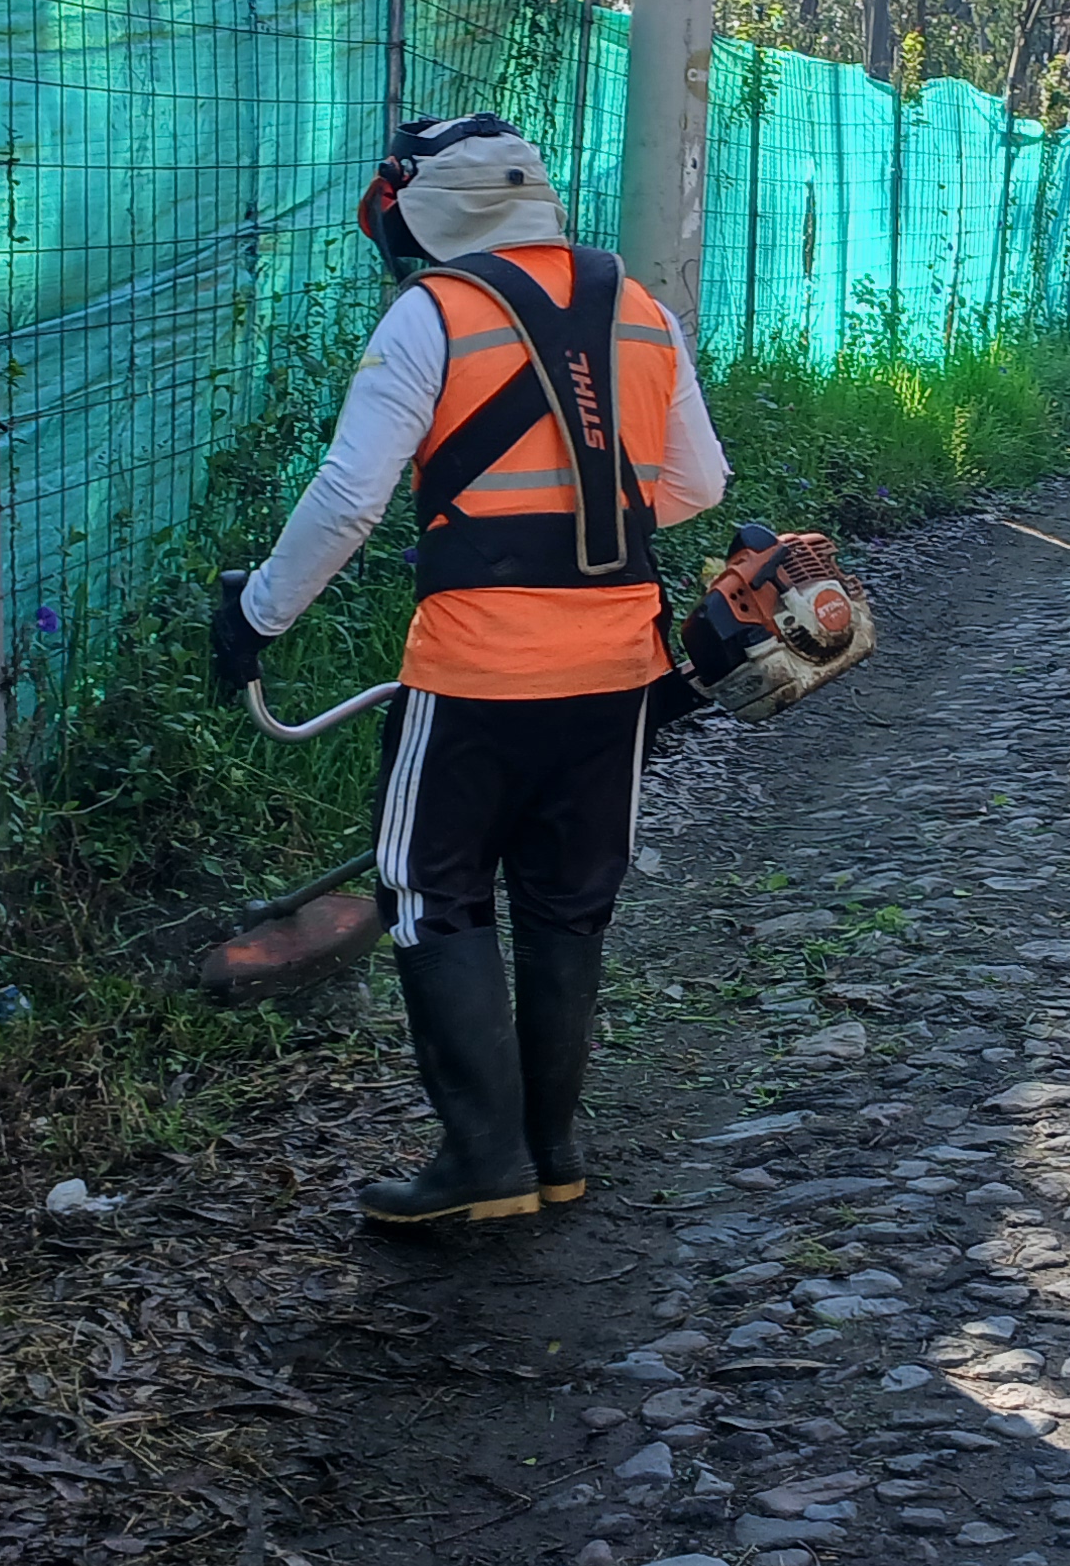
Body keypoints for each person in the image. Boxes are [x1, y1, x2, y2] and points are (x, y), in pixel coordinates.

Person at [215, 116, 731, 1228]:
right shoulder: (642, 312)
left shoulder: (433, 314)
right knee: (566, 901)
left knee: (430, 890)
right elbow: (697, 484)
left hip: (478, 669)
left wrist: (256, 616)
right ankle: (553, 1150)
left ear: (421, 212)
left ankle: (483, 1159)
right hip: (618, 665)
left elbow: (349, 498)